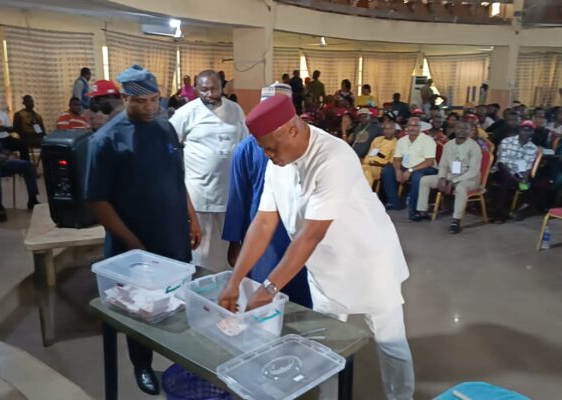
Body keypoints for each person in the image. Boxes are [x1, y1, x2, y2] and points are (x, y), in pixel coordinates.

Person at [218, 95, 414, 400]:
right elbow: (264, 223)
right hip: (323, 265)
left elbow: (310, 235)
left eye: (271, 148)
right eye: (263, 148)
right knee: (325, 343)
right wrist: (235, 282)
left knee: (390, 341)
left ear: (292, 130)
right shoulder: (277, 160)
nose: (267, 155)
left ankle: (401, 396)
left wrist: (268, 290)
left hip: (368, 261)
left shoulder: (333, 157)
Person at [85, 65, 202, 396]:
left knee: (176, 299)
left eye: (154, 99)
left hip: (172, 234)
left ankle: (179, 359)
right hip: (134, 244)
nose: (150, 107)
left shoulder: (165, 128)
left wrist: (192, 217)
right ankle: (142, 364)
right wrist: (134, 244)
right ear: (124, 99)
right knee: (139, 309)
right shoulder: (106, 140)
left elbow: (177, 178)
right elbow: (97, 201)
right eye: (140, 102)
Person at [222, 84, 311, 307]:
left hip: (299, 229)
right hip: (263, 232)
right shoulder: (246, 149)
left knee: (301, 294)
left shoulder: (307, 146)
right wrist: (235, 241)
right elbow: (237, 197)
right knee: (263, 295)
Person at [170, 70, 248, 272]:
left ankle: (226, 287)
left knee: (228, 255)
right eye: (204, 89)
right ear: (196, 89)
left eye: (214, 88)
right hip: (200, 196)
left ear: (222, 87)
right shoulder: (186, 113)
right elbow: (170, 145)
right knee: (202, 255)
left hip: (229, 195)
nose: (210, 94)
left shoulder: (235, 110)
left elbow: (245, 143)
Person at [415, 121, 482, 234]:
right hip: (450, 175)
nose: (462, 131)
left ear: (469, 131)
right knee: (425, 180)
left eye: (465, 129)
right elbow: (443, 165)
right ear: (454, 129)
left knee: (461, 188)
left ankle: (456, 220)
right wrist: (442, 178)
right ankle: (422, 212)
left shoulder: (474, 147)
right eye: (459, 128)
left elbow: (473, 171)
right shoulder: (448, 145)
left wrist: (454, 181)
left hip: (469, 179)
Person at [381, 116, 438, 218]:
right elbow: (397, 158)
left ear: (420, 127)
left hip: (426, 168)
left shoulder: (428, 140)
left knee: (417, 176)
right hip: (407, 166)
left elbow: (429, 162)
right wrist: (398, 170)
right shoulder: (402, 140)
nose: (412, 128)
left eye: (415, 126)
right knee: (387, 170)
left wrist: (410, 170)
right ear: (406, 127)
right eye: (410, 125)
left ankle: (413, 209)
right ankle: (395, 203)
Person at [488, 120, 539, 224]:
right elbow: (501, 162)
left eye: (529, 130)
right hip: (500, 171)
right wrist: (514, 178)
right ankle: (499, 213)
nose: (526, 132)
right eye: (524, 130)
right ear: (519, 130)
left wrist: (524, 180)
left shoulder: (532, 148)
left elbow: (526, 167)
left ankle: (518, 210)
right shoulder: (507, 141)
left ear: (533, 132)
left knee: (529, 186)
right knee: (507, 180)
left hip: (517, 174)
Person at [362, 120, 398, 187]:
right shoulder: (377, 139)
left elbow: (390, 163)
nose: (387, 131)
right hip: (366, 164)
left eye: (389, 129)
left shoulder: (396, 143)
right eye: (385, 129)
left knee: (367, 172)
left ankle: (364, 192)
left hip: (378, 168)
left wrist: (378, 164)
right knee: (353, 169)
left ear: (394, 130)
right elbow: (369, 153)